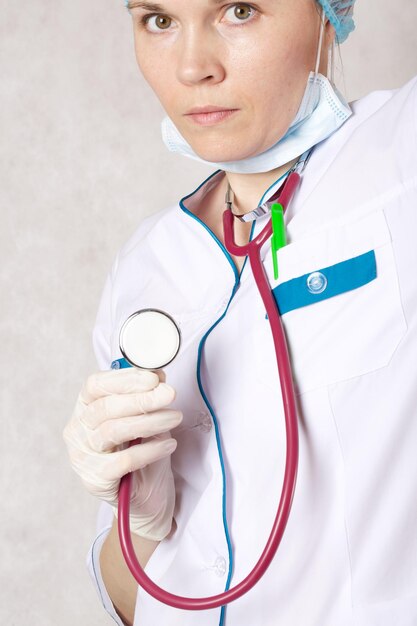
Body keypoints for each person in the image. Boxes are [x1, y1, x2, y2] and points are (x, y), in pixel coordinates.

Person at [63, 0, 417, 625]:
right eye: (159, 21)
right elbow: (132, 598)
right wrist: (143, 518)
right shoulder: (146, 266)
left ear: (325, 16)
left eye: (240, 10)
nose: (193, 66)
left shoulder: (399, 158)